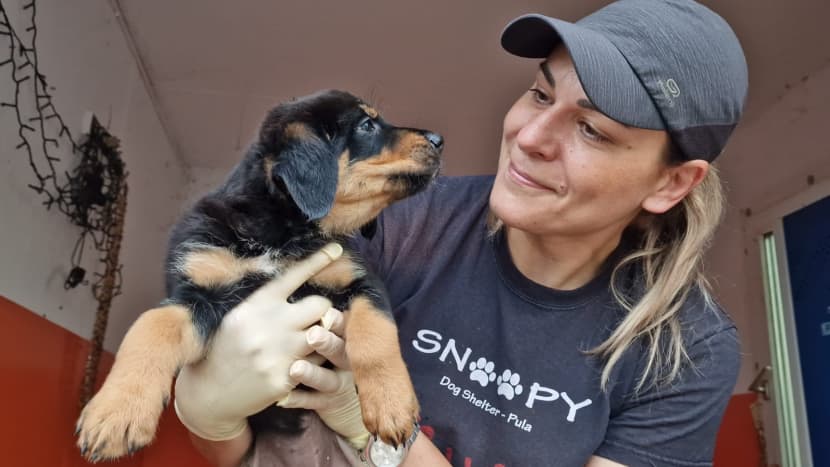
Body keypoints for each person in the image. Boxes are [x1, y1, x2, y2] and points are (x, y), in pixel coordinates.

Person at [173, 0, 748, 465]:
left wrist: (374, 433)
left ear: (671, 183)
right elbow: (249, 445)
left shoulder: (687, 350)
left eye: (592, 129)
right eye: (540, 94)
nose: (529, 137)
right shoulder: (400, 222)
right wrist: (209, 416)